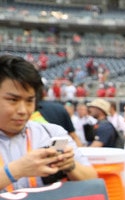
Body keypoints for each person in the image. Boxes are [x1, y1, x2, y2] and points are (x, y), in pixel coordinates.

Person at [0, 53, 97, 191]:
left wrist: (70, 166)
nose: (23, 110)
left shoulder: (52, 133)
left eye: (29, 101)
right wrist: (16, 170)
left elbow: (93, 181)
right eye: (13, 100)